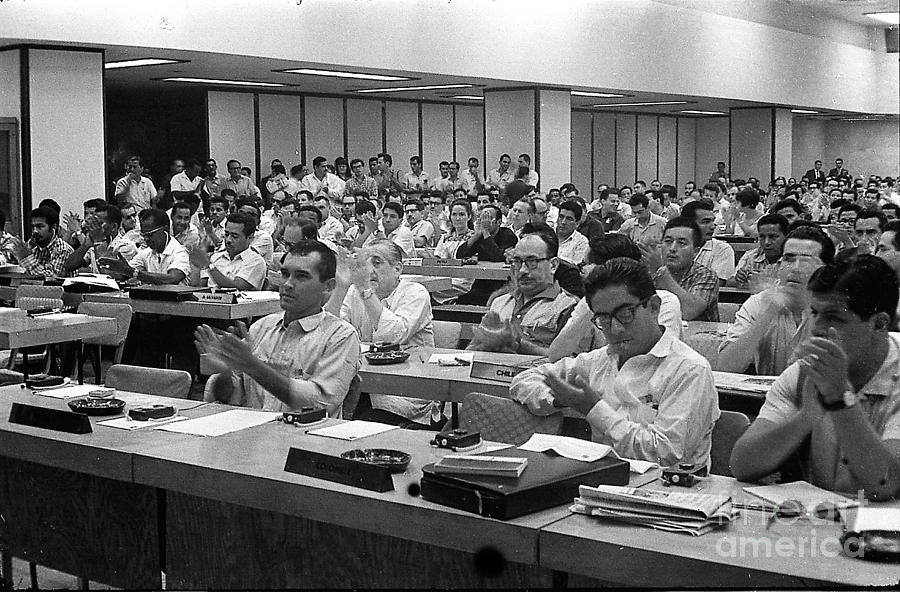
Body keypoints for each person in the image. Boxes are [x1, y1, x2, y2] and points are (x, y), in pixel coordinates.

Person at [511, 258, 719, 469]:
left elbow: (667, 454)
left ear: (654, 307)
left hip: (670, 490)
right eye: (603, 319)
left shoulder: (689, 369)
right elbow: (524, 380)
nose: (616, 329)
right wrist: (559, 399)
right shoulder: (600, 360)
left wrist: (594, 409)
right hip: (602, 482)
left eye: (625, 313)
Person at [730, 255, 900, 499]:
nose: (816, 328)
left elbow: (885, 483)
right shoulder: (804, 372)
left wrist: (839, 399)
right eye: (814, 313)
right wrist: (807, 416)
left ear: (880, 324)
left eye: (833, 317)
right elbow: (742, 465)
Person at [196, 241, 360, 417]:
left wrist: (253, 366)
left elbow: (320, 404)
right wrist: (225, 372)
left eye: (301, 276)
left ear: (328, 287)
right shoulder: (262, 327)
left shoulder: (340, 335)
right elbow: (229, 396)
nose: (288, 284)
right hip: (255, 435)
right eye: (285, 274)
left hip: (305, 439)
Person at [326, 240, 442, 429]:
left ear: (397, 269)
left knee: (360, 424)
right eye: (365, 263)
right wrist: (341, 286)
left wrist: (365, 289)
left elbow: (391, 337)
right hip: (362, 386)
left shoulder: (415, 293)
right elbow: (327, 331)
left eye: (377, 263)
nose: (369, 270)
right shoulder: (355, 292)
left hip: (404, 392)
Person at [718, 226, 835, 375]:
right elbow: (724, 367)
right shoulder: (759, 303)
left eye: (806, 260)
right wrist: (769, 312)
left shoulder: (839, 307)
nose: (795, 268)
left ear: (826, 268)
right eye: (788, 259)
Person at [549, 234, 683, 362]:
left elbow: (656, 361)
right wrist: (593, 300)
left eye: (585, 264)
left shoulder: (665, 301)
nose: (581, 270)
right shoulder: (590, 303)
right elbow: (556, 354)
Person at [468, 225, 577, 356]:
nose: (522, 270)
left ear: (553, 265)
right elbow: (472, 351)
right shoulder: (500, 303)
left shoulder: (569, 307)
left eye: (532, 261)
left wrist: (518, 344)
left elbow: (571, 362)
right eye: (518, 261)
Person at [639, 217, 719, 322]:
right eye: (668, 241)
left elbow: (689, 311)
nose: (672, 248)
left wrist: (660, 271)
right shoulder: (647, 273)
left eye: (682, 243)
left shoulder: (706, 275)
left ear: (695, 251)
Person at [102, 208, 191, 285]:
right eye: (143, 235)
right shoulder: (147, 253)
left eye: (150, 234)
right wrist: (117, 268)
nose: (146, 239)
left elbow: (172, 279)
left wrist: (134, 273)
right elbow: (124, 274)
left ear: (165, 230)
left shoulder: (180, 252)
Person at [189, 212, 267, 290]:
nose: (228, 240)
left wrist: (208, 265)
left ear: (250, 237)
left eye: (235, 236)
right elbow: (197, 286)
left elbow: (236, 287)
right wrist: (196, 266)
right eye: (226, 234)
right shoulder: (216, 257)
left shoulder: (256, 261)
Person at [431, 199, 476, 304]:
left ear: (469, 216)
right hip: (442, 275)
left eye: (462, 214)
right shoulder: (445, 237)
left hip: (462, 279)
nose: (458, 218)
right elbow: (437, 259)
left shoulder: (474, 237)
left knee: (432, 288)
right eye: (454, 214)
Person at [8, 206, 74, 277]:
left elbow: (51, 279)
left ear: (53, 227)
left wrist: (26, 257)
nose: (35, 231)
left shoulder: (63, 250)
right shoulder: (35, 249)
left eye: (40, 226)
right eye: (33, 227)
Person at [681, 199, 735, 284]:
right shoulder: (674, 246)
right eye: (706, 222)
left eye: (712, 221)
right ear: (688, 223)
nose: (713, 226)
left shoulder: (722, 249)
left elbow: (714, 285)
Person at [728, 214, 789, 289]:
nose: (767, 242)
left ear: (786, 237)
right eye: (762, 237)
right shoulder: (751, 256)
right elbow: (729, 283)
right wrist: (738, 279)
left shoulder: (794, 260)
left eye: (773, 237)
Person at [555, 200, 589, 264]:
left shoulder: (581, 242)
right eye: (561, 217)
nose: (563, 222)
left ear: (577, 223)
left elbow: (576, 267)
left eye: (569, 219)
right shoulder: (547, 234)